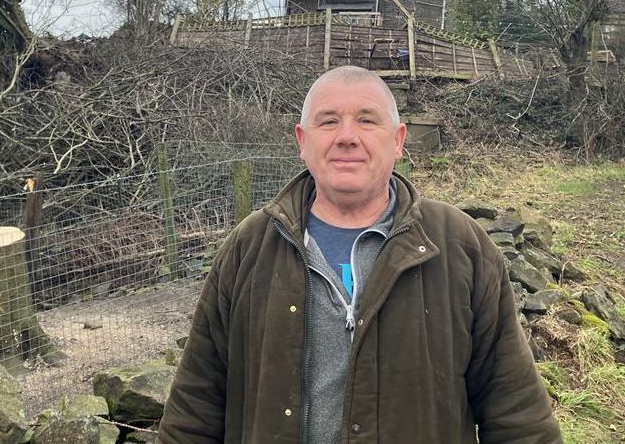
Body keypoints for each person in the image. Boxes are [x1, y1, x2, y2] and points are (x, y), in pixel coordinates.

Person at [157, 66, 561, 443]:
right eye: (328, 120)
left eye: (366, 120)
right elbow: (197, 404)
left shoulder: (460, 246)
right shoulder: (250, 246)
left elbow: (516, 410)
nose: (346, 135)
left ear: (399, 140)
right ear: (302, 141)